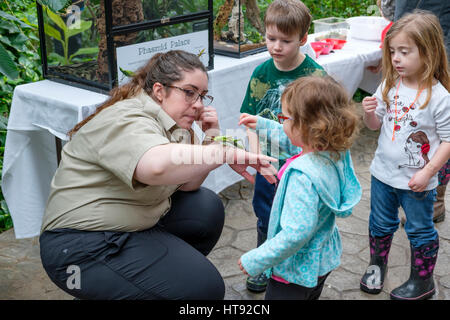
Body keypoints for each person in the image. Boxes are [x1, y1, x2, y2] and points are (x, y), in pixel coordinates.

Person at [39, 50, 278, 300]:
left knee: (204, 207)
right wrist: (223, 152)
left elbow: (187, 186)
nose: (198, 104)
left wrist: (212, 136)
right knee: (204, 289)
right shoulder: (127, 116)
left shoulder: (173, 122)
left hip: (127, 226)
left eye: (202, 96)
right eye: (189, 92)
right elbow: (155, 167)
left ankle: (143, 286)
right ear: (159, 90)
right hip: (78, 248)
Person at [237, 75, 361, 300]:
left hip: (294, 270)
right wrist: (265, 125)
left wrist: (257, 258)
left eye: (284, 117)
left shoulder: (303, 176)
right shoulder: (333, 152)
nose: (281, 121)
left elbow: (296, 232)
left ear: (307, 126)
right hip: (321, 258)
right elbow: (297, 143)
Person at [360, 12, 450, 300]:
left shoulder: (439, 97)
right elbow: (375, 127)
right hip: (382, 174)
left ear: (428, 52)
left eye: (404, 52)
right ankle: (377, 268)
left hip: (417, 182)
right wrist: (369, 113)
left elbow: (448, 140)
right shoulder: (389, 83)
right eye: (392, 51)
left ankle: (422, 282)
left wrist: (428, 172)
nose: (396, 58)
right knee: (379, 223)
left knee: (420, 230)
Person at [239, 0, 326, 293]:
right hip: (269, 162)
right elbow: (249, 120)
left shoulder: (315, 77)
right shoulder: (261, 73)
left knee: (297, 218)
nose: (276, 46)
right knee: (266, 213)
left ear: (302, 39)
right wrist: (256, 156)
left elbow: (323, 126)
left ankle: (296, 264)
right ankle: (263, 263)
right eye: (270, 38)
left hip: (301, 164)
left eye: (285, 41)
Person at [394, 0, 450, 224]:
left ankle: (434, 198)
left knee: (439, 127)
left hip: (441, 28)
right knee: (411, 119)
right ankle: (408, 188)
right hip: (407, 18)